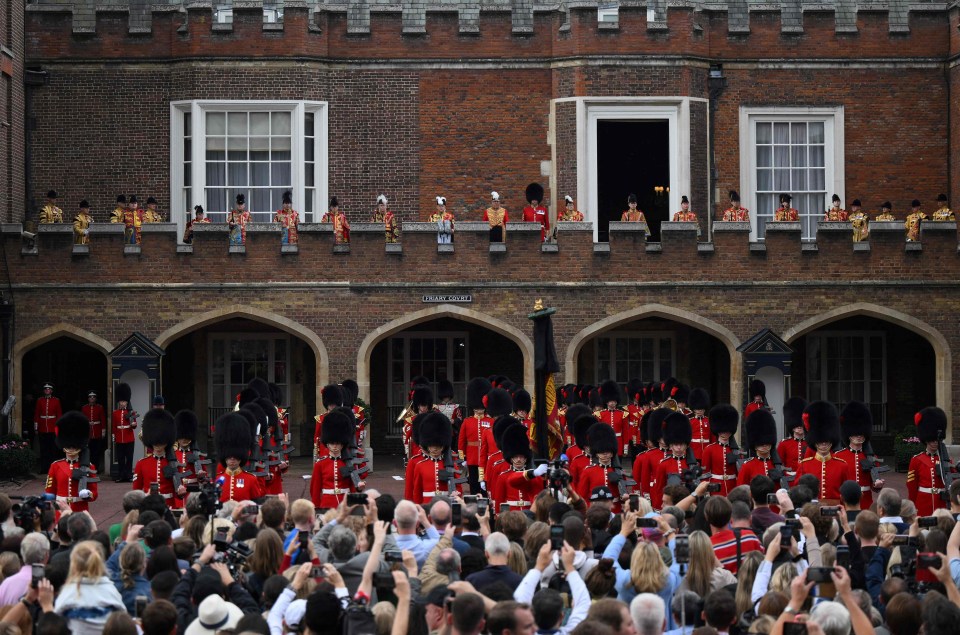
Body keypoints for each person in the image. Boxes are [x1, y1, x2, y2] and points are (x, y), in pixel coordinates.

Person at [55, 541, 126, 634]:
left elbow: (55, 623)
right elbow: (123, 622)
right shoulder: (112, 592)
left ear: (74, 565)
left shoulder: (67, 593)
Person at [792, 401, 850, 503]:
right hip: (810, 509)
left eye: (826, 442)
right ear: (814, 442)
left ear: (831, 442)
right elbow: (797, 492)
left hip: (835, 511)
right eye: (820, 442)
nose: (823, 445)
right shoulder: (804, 465)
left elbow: (846, 493)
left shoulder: (842, 466)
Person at [310, 409, 364, 510]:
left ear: (342, 444)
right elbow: (315, 490)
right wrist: (316, 509)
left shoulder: (348, 463)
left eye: (338, 443)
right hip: (327, 504)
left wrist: (358, 489)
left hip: (345, 504)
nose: (335, 446)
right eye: (332, 443)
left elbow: (352, 486)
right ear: (327, 444)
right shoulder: (320, 464)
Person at [835, 401, 884, 511]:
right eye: (855, 433)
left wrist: (877, 486)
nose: (859, 436)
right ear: (848, 435)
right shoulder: (838, 456)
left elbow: (873, 484)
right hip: (845, 502)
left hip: (866, 502)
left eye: (862, 434)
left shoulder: (871, 457)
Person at [45, 411, 98, 513]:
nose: (72, 449)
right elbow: (49, 492)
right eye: (69, 446)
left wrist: (88, 494)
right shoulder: (55, 466)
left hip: (80, 510)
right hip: (60, 511)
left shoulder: (89, 467)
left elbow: (94, 494)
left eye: (74, 446)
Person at [133, 408, 187, 506]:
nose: (158, 446)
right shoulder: (141, 464)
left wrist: (181, 493)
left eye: (161, 443)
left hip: (168, 507)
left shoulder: (175, 463)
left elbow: (178, 493)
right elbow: (136, 492)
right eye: (155, 443)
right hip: (149, 507)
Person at [908, 406, 952, 516]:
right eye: (931, 440)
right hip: (923, 505)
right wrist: (913, 508)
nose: (934, 443)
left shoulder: (946, 460)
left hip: (942, 504)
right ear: (925, 439)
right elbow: (912, 487)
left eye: (936, 440)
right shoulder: (916, 460)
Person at [411, 411, 463, 504]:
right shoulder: (420, 466)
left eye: (438, 446)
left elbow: (458, 488)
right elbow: (417, 491)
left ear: (443, 446)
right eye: (432, 445)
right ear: (427, 445)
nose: (435, 449)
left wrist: (457, 496)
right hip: (427, 504)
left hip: (446, 504)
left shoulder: (452, 465)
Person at [214, 412, 265, 502]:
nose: (232, 458)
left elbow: (256, 504)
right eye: (229, 456)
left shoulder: (251, 479)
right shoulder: (217, 480)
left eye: (236, 456)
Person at [578, 422, 627, 512]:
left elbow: (624, 496)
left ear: (612, 453)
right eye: (601, 452)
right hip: (594, 510)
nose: (605, 455)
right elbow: (582, 495)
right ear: (596, 453)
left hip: (615, 510)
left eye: (608, 452)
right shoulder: (588, 471)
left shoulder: (618, 471)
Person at [651, 412, 694, 510]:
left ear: (686, 445)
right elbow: (659, 490)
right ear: (670, 445)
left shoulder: (692, 463)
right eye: (675, 445)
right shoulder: (663, 464)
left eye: (681, 445)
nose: (678, 448)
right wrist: (658, 508)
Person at [457, 377, 492, 495]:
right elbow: (462, 440)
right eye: (477, 407)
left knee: (485, 483)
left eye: (481, 407)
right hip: (471, 457)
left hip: (486, 457)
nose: (479, 409)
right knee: (473, 483)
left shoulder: (490, 421)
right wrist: (463, 457)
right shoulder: (467, 421)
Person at [737, 409, 783, 488]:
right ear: (754, 445)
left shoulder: (776, 465)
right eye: (760, 443)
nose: (764, 445)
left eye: (767, 442)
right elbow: (742, 491)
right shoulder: (747, 466)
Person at [702, 404, 739, 496]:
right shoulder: (709, 449)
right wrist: (706, 492)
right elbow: (705, 474)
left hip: (732, 487)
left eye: (728, 431)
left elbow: (739, 473)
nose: (725, 434)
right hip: (716, 488)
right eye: (722, 431)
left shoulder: (736, 450)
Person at [173, 410, 208, 508]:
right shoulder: (173, 455)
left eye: (187, 437)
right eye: (181, 437)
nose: (184, 439)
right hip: (177, 495)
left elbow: (205, 480)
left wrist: (201, 477)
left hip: (193, 494)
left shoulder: (197, 455)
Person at [112, 382, 138, 483]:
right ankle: (121, 475)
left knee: (129, 458)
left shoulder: (131, 412)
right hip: (119, 438)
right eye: (121, 401)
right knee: (121, 458)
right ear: (119, 402)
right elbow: (114, 426)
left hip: (129, 437)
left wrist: (133, 425)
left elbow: (135, 424)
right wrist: (114, 436)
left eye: (124, 401)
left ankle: (128, 475)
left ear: (127, 402)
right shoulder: (115, 413)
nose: (122, 403)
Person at [33, 382, 63, 473]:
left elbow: (59, 415)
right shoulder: (40, 400)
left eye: (49, 389)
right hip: (42, 427)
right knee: (43, 449)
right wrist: (36, 427)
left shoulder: (56, 400)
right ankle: (44, 468)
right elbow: (37, 414)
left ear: (51, 391)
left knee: (53, 449)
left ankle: (52, 468)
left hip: (52, 428)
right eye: (46, 389)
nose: (47, 390)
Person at [776, 397, 809, 476]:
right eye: (796, 426)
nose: (799, 427)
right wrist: (787, 473)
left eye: (801, 425)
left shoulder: (810, 443)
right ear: (791, 426)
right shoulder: (784, 444)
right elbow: (778, 465)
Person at [597, 380, 629, 458]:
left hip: (618, 443)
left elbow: (625, 432)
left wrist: (625, 448)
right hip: (605, 443)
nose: (612, 403)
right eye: (610, 401)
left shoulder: (622, 414)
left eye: (614, 401)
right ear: (607, 402)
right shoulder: (600, 414)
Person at [313, 384, 343, 461]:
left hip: (340, 451)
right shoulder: (320, 419)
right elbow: (317, 437)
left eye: (334, 404)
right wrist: (317, 453)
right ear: (327, 404)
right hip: (324, 451)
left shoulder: (343, 417)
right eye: (330, 404)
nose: (332, 406)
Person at [82, 391, 106, 479]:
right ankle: (88, 467)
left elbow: (102, 419)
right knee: (89, 451)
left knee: (97, 451)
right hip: (89, 432)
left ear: (95, 399)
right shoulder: (84, 408)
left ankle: (96, 467)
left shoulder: (99, 407)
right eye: (90, 397)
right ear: (88, 399)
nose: (92, 399)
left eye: (93, 397)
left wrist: (103, 431)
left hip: (97, 431)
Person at [687, 388, 714, 463]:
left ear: (704, 409)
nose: (699, 411)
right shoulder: (690, 421)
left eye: (701, 409)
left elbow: (712, 438)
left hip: (706, 451)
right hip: (694, 452)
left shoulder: (708, 421)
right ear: (693, 409)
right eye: (697, 409)